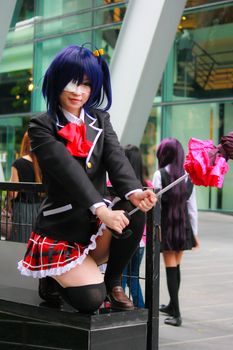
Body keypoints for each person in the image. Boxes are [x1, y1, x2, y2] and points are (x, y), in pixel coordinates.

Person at [17, 44, 157, 314]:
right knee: (91, 300)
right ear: (56, 82)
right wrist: (102, 209)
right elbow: (67, 171)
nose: (77, 91)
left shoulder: (101, 120)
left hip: (95, 228)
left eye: (85, 84)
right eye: (70, 82)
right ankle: (52, 277)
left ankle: (113, 281)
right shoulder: (41, 124)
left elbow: (117, 160)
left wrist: (134, 192)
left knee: (135, 210)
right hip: (61, 229)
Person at [152, 138, 200, 327]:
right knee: (176, 266)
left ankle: (177, 314)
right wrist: (194, 233)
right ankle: (172, 305)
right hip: (183, 227)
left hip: (168, 227)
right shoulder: (188, 175)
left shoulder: (159, 174)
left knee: (171, 267)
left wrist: (157, 229)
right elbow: (192, 207)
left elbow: (156, 205)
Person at [121, 144, 153, 308]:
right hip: (142, 239)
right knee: (134, 277)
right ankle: (141, 310)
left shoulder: (117, 185)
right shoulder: (148, 185)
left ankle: (121, 310)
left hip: (124, 238)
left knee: (121, 278)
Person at [9, 131, 42, 243]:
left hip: (22, 210)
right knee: (36, 242)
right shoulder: (43, 162)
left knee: (20, 242)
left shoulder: (18, 163)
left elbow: (13, 194)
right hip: (40, 209)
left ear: (25, 143)